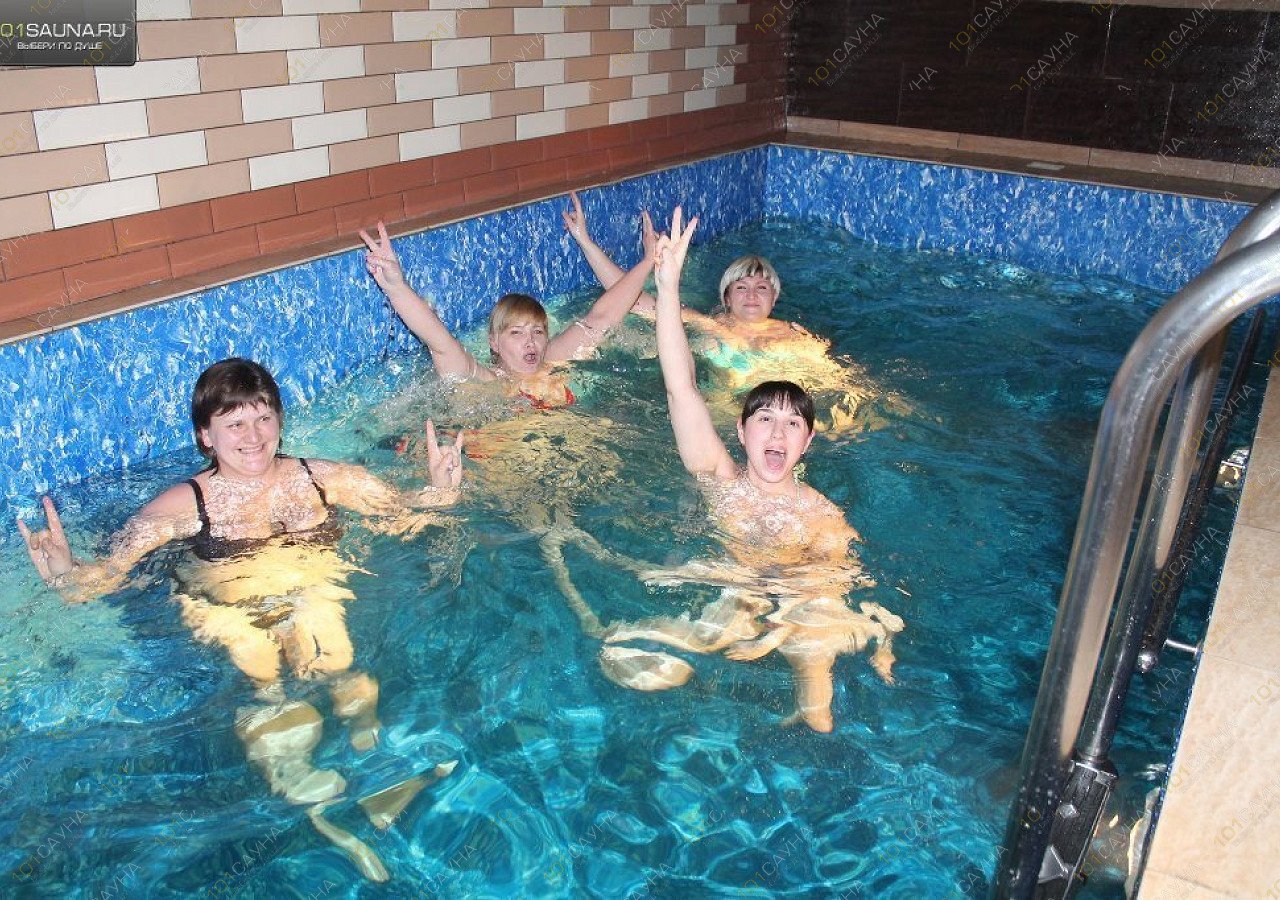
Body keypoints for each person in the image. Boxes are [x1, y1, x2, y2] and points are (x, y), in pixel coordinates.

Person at [16, 358, 464, 881]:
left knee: (338, 659)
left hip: (312, 591)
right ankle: (318, 806)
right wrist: (67, 574)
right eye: (234, 424)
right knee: (265, 679)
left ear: (280, 420)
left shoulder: (324, 478)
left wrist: (440, 492)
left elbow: (404, 516)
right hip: (226, 608)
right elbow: (110, 575)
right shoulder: (181, 505)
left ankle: (379, 769)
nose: (253, 437)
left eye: (263, 418)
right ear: (206, 436)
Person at [600, 209, 903, 733]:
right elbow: (680, 387)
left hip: (792, 598)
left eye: (792, 424)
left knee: (814, 636)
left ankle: (814, 717)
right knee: (629, 655)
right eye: (765, 419)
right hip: (732, 595)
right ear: (741, 432)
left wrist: (781, 619)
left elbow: (834, 581)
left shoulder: (820, 514)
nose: (778, 433)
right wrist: (667, 288)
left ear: (808, 442)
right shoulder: (718, 476)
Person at [563, 191, 881, 433]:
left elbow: (838, 379)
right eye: (741, 287)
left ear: (774, 298)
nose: (752, 294)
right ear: (726, 298)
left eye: (762, 287)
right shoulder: (709, 325)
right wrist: (585, 242)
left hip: (779, 424)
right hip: (725, 419)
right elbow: (629, 299)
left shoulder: (796, 336)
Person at [359, 220, 653, 410]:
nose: (531, 342)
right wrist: (396, 287)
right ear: (494, 342)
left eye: (538, 331)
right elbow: (439, 341)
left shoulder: (554, 359)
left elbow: (601, 318)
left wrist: (650, 260)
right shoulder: (484, 382)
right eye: (516, 332)